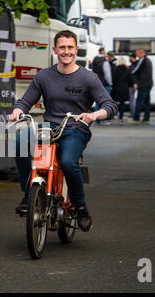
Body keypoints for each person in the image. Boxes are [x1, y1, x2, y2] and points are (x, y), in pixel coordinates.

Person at [8, 30, 117, 232]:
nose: (66, 52)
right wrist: (17, 111)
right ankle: (27, 193)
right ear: (55, 50)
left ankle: (80, 206)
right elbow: (26, 101)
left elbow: (110, 106)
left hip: (75, 128)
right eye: (62, 48)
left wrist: (93, 115)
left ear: (76, 50)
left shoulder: (88, 78)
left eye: (70, 47)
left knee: (68, 162)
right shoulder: (44, 76)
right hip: (50, 126)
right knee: (21, 142)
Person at [129, 48, 153, 124]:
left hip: (143, 84)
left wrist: (131, 73)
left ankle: (136, 118)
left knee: (139, 101)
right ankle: (146, 119)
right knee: (147, 102)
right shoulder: (148, 60)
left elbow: (136, 70)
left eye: (137, 53)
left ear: (141, 53)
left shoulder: (143, 59)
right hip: (148, 83)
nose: (136, 55)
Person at [92, 47, 114, 125]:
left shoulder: (94, 60)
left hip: (96, 83)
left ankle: (96, 119)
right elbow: (107, 75)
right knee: (105, 102)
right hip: (104, 84)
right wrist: (111, 83)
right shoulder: (105, 62)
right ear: (103, 52)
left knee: (98, 102)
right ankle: (102, 120)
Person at [112, 57, 132, 124]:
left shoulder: (115, 69)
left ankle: (114, 115)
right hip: (124, 88)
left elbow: (113, 80)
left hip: (116, 88)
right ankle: (121, 118)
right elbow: (130, 80)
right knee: (122, 103)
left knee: (114, 103)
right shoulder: (127, 70)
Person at [128, 51, 138, 117]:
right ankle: (134, 113)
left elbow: (133, 76)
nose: (129, 59)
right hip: (134, 84)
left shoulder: (134, 65)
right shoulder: (136, 64)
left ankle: (133, 114)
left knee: (132, 100)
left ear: (132, 57)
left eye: (129, 57)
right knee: (133, 99)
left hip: (132, 85)